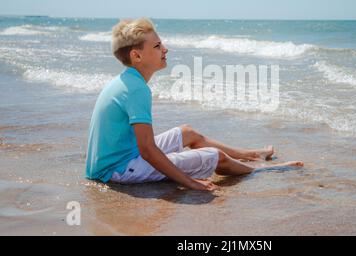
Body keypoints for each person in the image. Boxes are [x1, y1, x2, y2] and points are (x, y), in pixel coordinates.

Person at [85, 18, 303, 191]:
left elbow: (145, 148)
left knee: (188, 133)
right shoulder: (137, 89)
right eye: (158, 45)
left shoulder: (127, 80)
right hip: (118, 170)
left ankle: (251, 155)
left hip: (121, 157)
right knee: (215, 157)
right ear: (137, 55)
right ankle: (265, 171)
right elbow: (148, 151)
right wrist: (189, 181)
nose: (165, 49)